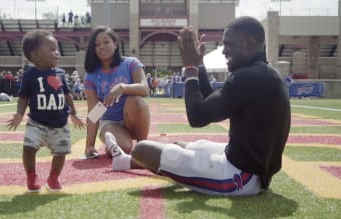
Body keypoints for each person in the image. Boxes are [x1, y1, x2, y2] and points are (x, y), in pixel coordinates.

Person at [104, 16, 291, 196]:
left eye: (229, 44)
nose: (224, 51)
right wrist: (200, 65)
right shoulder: (264, 74)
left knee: (141, 149)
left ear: (248, 44)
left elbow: (197, 117)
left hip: (241, 177)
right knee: (180, 146)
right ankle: (124, 162)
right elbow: (213, 106)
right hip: (254, 170)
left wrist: (191, 69)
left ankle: (132, 158)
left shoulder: (247, 77)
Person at [6, 29, 86, 192]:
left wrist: (74, 114)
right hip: (37, 122)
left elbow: (67, 95)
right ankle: (31, 175)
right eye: (52, 50)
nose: (57, 53)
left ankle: (54, 177)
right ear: (36, 55)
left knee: (61, 152)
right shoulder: (29, 75)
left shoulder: (61, 74)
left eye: (57, 49)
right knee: (29, 148)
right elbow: (23, 97)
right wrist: (20, 114)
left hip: (60, 123)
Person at [83, 25, 150, 168]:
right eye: (97, 44)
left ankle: (143, 146)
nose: (102, 47)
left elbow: (145, 89)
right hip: (110, 122)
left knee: (136, 99)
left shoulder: (131, 63)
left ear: (115, 44)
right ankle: (114, 144)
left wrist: (122, 88)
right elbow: (95, 111)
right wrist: (89, 145)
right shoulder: (92, 75)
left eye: (106, 42)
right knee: (124, 148)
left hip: (132, 118)